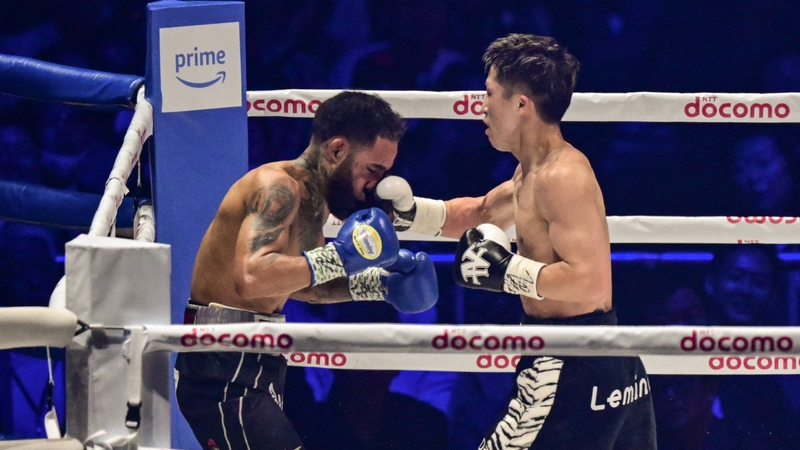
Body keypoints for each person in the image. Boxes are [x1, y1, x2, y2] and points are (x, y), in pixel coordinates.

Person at [377, 34, 656, 449]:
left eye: (489, 93)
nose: (482, 106)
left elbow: (590, 282)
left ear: (521, 104)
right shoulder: (532, 172)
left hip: (570, 358)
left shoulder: (560, 176)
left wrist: (505, 272)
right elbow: (480, 214)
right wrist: (407, 212)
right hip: (599, 359)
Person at [174, 91, 439, 450]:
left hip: (255, 355)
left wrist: (379, 286)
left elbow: (305, 284)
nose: (375, 185)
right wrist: (342, 256)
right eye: (372, 170)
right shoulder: (278, 186)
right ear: (337, 149)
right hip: (220, 359)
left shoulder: (313, 201)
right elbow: (252, 276)